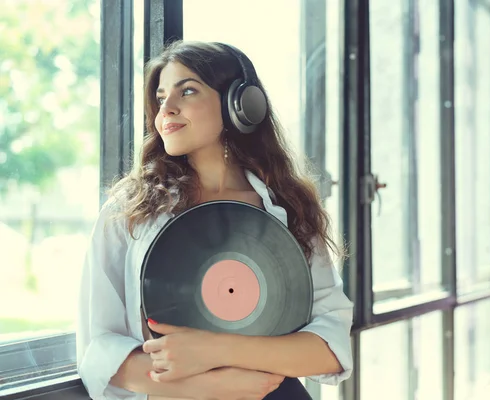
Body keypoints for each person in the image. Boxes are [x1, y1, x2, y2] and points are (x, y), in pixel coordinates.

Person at [76, 40, 354, 400]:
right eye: (161, 99)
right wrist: (212, 385)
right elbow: (97, 348)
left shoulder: (288, 206)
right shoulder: (130, 207)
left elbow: (330, 348)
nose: (167, 110)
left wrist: (213, 349)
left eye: (187, 91)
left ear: (240, 105)